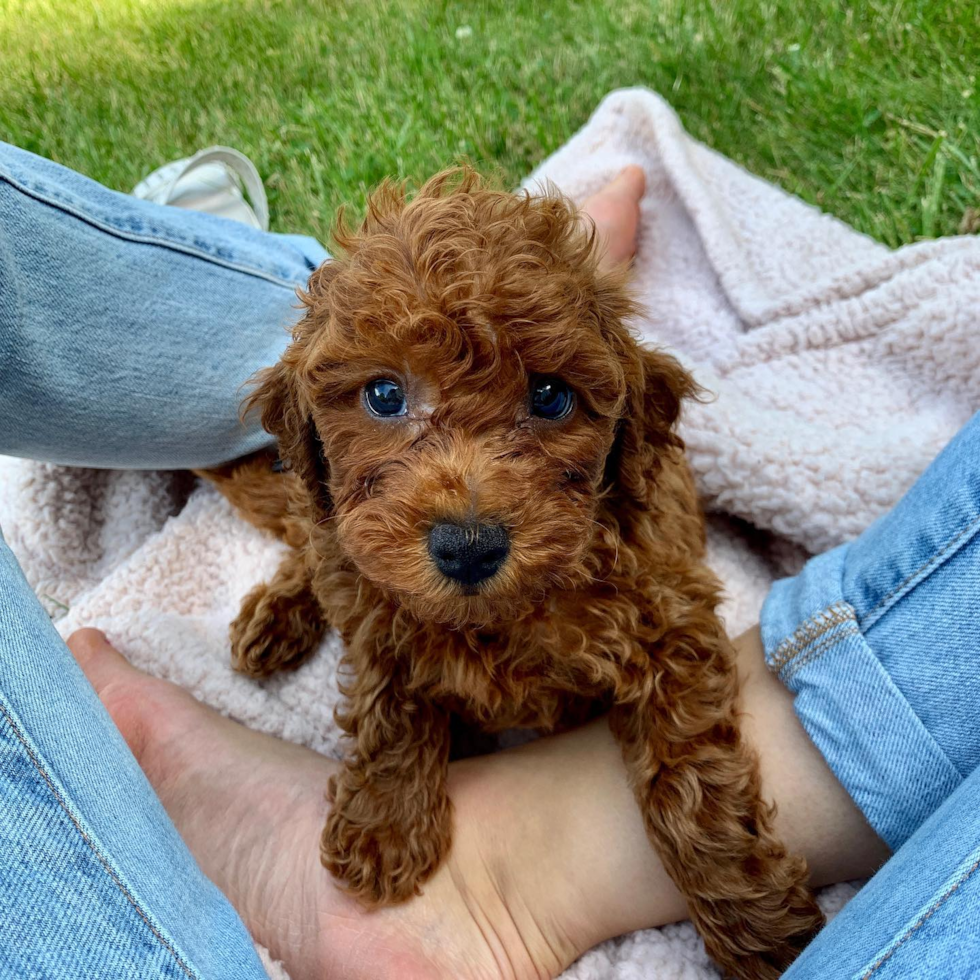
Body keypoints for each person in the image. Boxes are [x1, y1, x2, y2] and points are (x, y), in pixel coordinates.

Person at [1, 139, 977, 980]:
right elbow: (387, 652)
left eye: (547, 399)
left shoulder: (632, 548)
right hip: (350, 539)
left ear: (631, 428)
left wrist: (725, 869)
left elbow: (678, 680)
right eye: (386, 398)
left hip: (574, 563)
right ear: (303, 430)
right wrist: (395, 760)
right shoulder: (354, 530)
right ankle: (314, 541)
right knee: (357, 582)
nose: (466, 503)